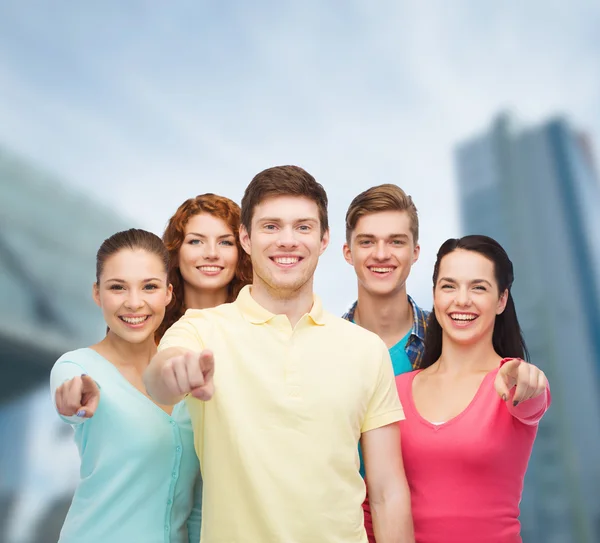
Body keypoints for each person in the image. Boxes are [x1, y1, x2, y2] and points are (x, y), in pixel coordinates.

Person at [144, 166, 414, 543]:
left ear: (324, 240)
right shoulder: (201, 329)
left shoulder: (366, 349)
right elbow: (159, 377)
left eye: (303, 227)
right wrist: (173, 373)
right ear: (246, 238)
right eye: (271, 227)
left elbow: (387, 492)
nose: (287, 241)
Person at [50, 229, 202, 543]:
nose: (134, 303)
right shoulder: (78, 367)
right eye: (118, 287)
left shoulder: (185, 374)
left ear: (169, 293)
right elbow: (71, 402)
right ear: (97, 293)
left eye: (149, 287)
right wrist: (73, 406)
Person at [397, 235, 551, 543]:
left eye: (478, 287)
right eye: (449, 286)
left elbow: (533, 396)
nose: (462, 300)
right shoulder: (397, 389)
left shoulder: (512, 382)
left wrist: (530, 379)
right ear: (435, 295)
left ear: (501, 300)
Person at [342, 184, 430, 539]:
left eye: (396, 241)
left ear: (415, 251)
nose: (381, 253)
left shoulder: (449, 342)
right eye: (367, 242)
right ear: (348, 252)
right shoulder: (322, 349)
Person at [156, 193, 252, 341]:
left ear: (242, 252)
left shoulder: (262, 328)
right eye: (196, 241)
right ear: (175, 251)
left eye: (225, 242)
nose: (212, 253)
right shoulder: (150, 330)